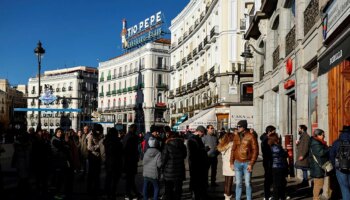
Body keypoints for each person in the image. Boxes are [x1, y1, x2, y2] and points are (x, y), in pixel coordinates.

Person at [230, 120, 259, 200]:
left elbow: (255, 151)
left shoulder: (251, 136)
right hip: (237, 163)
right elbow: (233, 150)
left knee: (247, 183)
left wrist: (251, 163)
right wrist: (231, 162)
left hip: (247, 163)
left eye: (239, 127)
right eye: (237, 127)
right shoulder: (236, 136)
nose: (237, 128)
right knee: (238, 183)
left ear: (244, 127)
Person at [162, 131, 187, 200]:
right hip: (179, 171)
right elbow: (184, 156)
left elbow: (163, 159)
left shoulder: (167, 146)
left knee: (169, 190)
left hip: (169, 172)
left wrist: (162, 168)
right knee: (178, 190)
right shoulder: (183, 145)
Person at [101, 128, 123, 200]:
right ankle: (113, 194)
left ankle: (107, 193)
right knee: (114, 180)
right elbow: (121, 153)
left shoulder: (106, 141)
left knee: (108, 178)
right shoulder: (118, 142)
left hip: (108, 162)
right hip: (116, 162)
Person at [187, 125, 209, 199]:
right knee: (196, 181)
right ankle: (195, 195)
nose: (203, 135)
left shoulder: (197, 139)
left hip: (199, 164)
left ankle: (199, 195)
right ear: (199, 131)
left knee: (199, 181)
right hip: (195, 164)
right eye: (203, 133)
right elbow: (193, 153)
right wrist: (204, 150)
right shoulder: (192, 139)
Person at [330, 125, 350, 200]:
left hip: (340, 167)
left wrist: (334, 165)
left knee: (344, 188)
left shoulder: (336, 142)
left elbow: (332, 155)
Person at [309, 129, 329, 200]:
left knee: (318, 184)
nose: (324, 136)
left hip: (317, 166)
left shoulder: (317, 142)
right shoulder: (315, 143)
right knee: (318, 184)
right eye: (323, 135)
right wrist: (328, 149)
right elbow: (320, 153)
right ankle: (316, 198)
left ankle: (316, 197)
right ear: (318, 135)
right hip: (317, 167)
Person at [123, 124, 142, 199]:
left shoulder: (127, 136)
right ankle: (128, 194)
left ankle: (133, 193)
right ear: (134, 129)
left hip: (128, 160)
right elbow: (132, 150)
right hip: (131, 161)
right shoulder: (132, 138)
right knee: (130, 179)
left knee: (130, 179)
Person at [217, 128, 236, 200]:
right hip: (231, 164)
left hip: (225, 165)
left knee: (226, 181)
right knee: (230, 182)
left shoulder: (223, 145)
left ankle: (226, 195)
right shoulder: (232, 145)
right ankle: (228, 196)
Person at [268, 132, 288, 200]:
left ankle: (278, 197)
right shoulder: (277, 147)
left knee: (277, 183)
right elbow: (284, 155)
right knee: (280, 184)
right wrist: (285, 151)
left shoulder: (271, 147)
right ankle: (279, 197)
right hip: (279, 167)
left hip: (274, 167)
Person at [87, 124, 104, 196]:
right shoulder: (90, 135)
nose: (98, 132)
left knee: (97, 174)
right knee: (92, 174)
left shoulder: (99, 134)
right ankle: (90, 189)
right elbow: (89, 147)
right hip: (92, 157)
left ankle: (96, 188)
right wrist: (98, 145)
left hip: (97, 158)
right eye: (97, 131)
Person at [260, 125, 276, 200]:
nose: (274, 133)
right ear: (269, 132)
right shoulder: (265, 140)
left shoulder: (266, 138)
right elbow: (266, 150)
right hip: (268, 161)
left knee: (270, 178)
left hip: (269, 161)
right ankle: (267, 195)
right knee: (268, 178)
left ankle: (269, 194)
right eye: (273, 131)